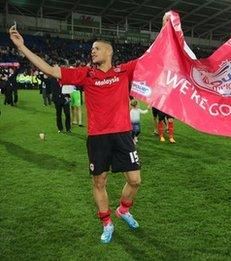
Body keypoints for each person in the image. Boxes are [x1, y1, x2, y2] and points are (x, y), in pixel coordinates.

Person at [9, 25, 143, 244]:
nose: (93, 51)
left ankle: (123, 210)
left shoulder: (124, 71)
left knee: (135, 180)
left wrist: (168, 26)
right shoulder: (85, 74)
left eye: (97, 48)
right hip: (98, 137)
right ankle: (107, 222)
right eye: (92, 49)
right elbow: (51, 70)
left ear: (109, 52)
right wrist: (21, 46)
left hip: (122, 135)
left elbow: (152, 56)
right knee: (99, 182)